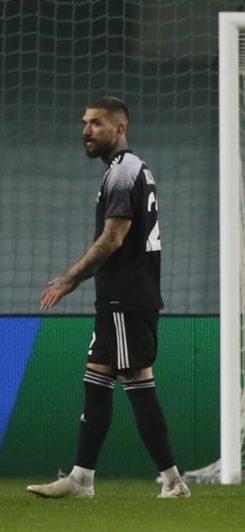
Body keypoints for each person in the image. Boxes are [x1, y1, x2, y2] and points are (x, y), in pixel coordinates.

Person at [28, 97, 190, 499]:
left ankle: (172, 482)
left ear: (119, 128)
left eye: (96, 123)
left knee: (135, 380)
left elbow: (114, 236)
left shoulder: (123, 171)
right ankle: (82, 479)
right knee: (98, 377)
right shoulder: (128, 169)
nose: (86, 130)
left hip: (126, 297)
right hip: (123, 297)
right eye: (85, 122)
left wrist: (71, 278)